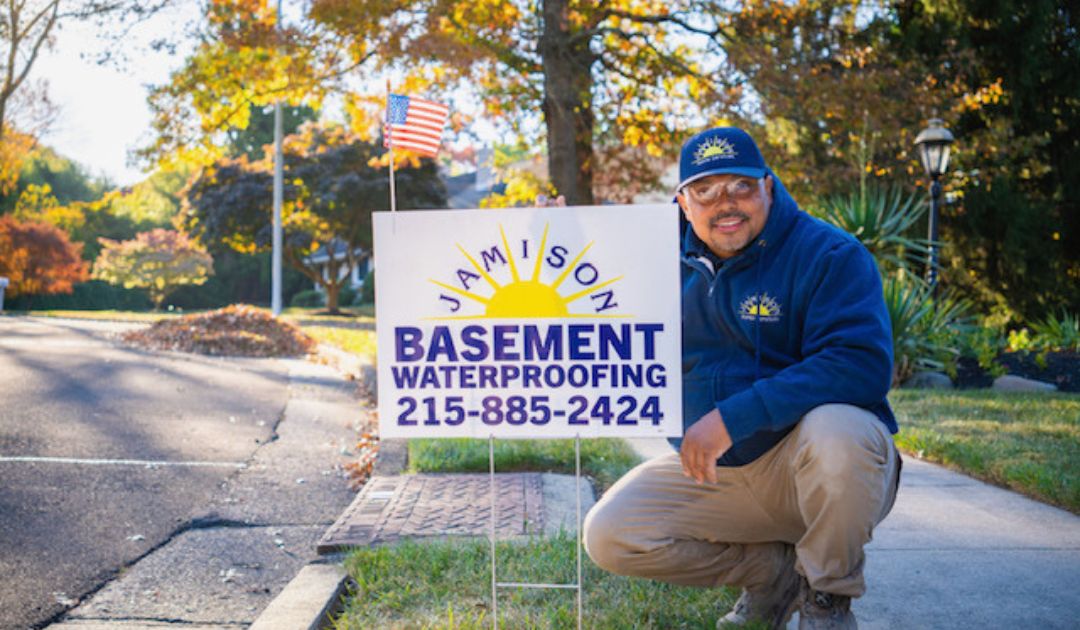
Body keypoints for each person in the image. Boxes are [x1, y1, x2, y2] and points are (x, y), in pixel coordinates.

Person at [582, 127, 901, 630]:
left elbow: (859, 363)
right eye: (705, 191)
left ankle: (827, 596)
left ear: (768, 186)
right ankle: (773, 573)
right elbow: (579, 310)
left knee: (839, 432)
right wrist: (553, 231)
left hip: (804, 468)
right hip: (713, 473)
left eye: (740, 186)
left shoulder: (829, 254)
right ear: (683, 203)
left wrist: (734, 417)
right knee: (610, 535)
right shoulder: (652, 261)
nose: (724, 203)